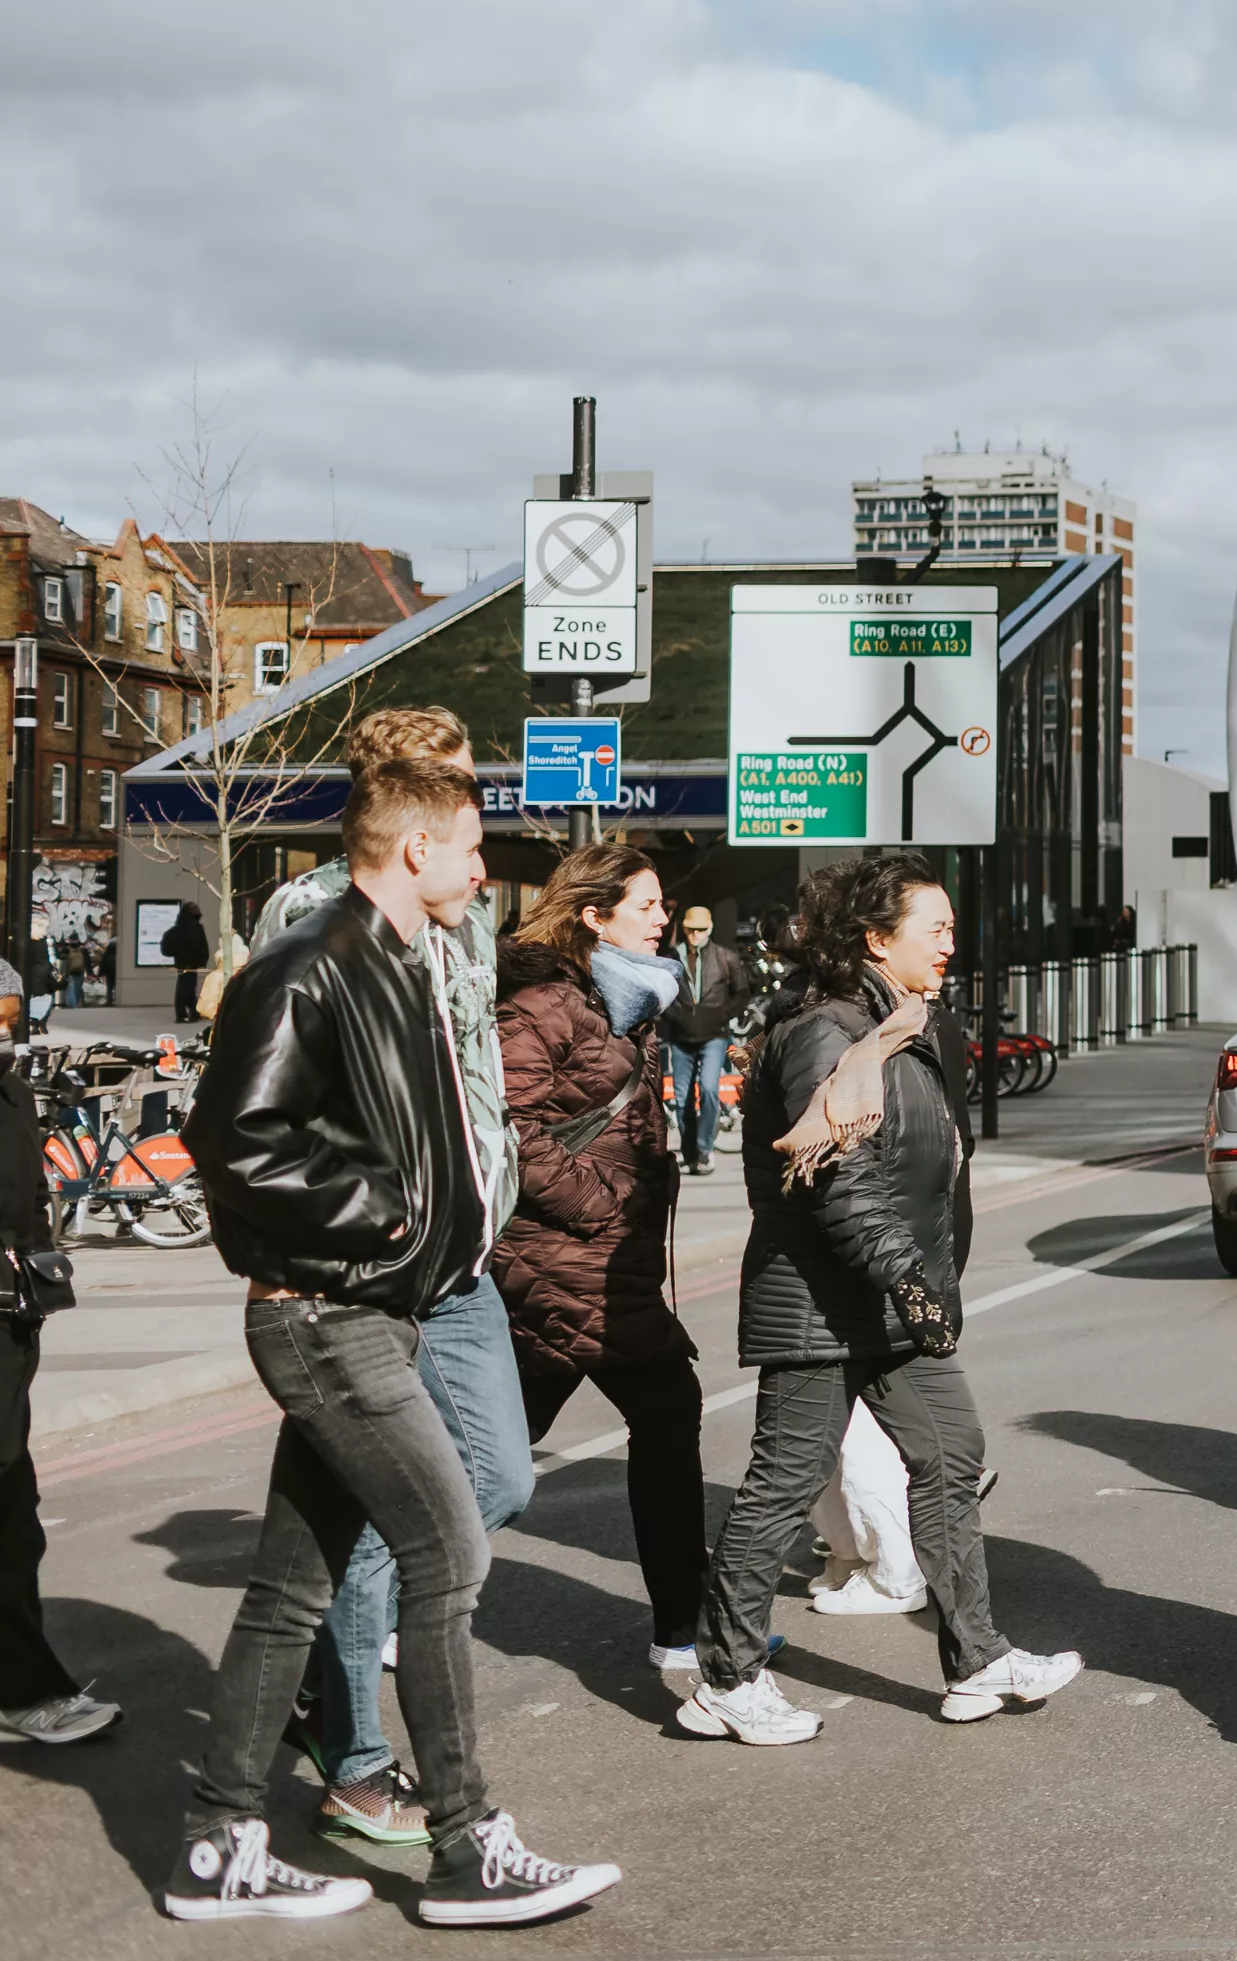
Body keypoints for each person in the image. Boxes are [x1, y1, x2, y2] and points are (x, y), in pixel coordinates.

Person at [169, 756, 620, 1925]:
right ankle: (468, 1849)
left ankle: (219, 1844)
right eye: (470, 844)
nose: (485, 867)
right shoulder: (310, 965)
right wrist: (389, 1219)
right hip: (331, 1316)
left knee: (287, 1590)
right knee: (449, 1552)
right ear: (413, 848)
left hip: (373, 1309)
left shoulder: (405, 963)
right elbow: (237, 1139)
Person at [682, 850, 1078, 1745]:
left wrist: (914, 1280)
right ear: (874, 938)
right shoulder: (829, 1032)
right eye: (932, 929)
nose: (950, 943)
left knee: (953, 1453)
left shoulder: (894, 1022)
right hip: (824, 1300)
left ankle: (976, 1661)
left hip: (885, 1298)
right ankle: (725, 1677)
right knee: (784, 1483)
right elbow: (841, 1181)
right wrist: (907, 1274)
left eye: (949, 927)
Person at [250, 707, 535, 1851]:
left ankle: (335, 1694)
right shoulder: (304, 913)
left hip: (461, 1264)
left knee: (499, 1479)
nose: (473, 805)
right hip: (366, 1271)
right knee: (409, 1524)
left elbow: (474, 1068)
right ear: (394, 801)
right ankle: (359, 1756)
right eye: (452, 785)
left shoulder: (469, 913)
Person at [492, 846, 706, 1675]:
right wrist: (601, 1204)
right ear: (594, 915)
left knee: (502, 1445)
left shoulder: (615, 1002)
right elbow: (507, 1125)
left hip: (594, 1259)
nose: (664, 918)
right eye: (648, 904)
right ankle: (688, 1633)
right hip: (563, 1257)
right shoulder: (546, 1002)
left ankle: (689, 1627)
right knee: (663, 1409)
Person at [5, 1018, 117, 1750]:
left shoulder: (13, 1093)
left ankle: (25, 1686)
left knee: (14, 1508)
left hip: (12, 1327)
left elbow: (29, 1206)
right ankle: (26, 1689)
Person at [662, 905, 748, 1176]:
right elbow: (661, 990)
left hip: (714, 1036)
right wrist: (672, 1017)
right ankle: (690, 1154)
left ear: (709, 929)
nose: (695, 934)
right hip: (681, 1037)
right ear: (684, 928)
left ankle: (704, 1148)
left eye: (700, 929)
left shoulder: (725, 958)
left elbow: (742, 992)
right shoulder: (671, 957)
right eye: (690, 929)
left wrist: (722, 1015)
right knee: (682, 1096)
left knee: (710, 1089)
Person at [163, 901, 213, 1026]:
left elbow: (170, 945)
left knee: (186, 988)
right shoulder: (196, 927)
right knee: (186, 989)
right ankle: (182, 1014)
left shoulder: (179, 927)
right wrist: (202, 959)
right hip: (192, 963)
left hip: (181, 962)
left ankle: (191, 1013)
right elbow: (202, 946)